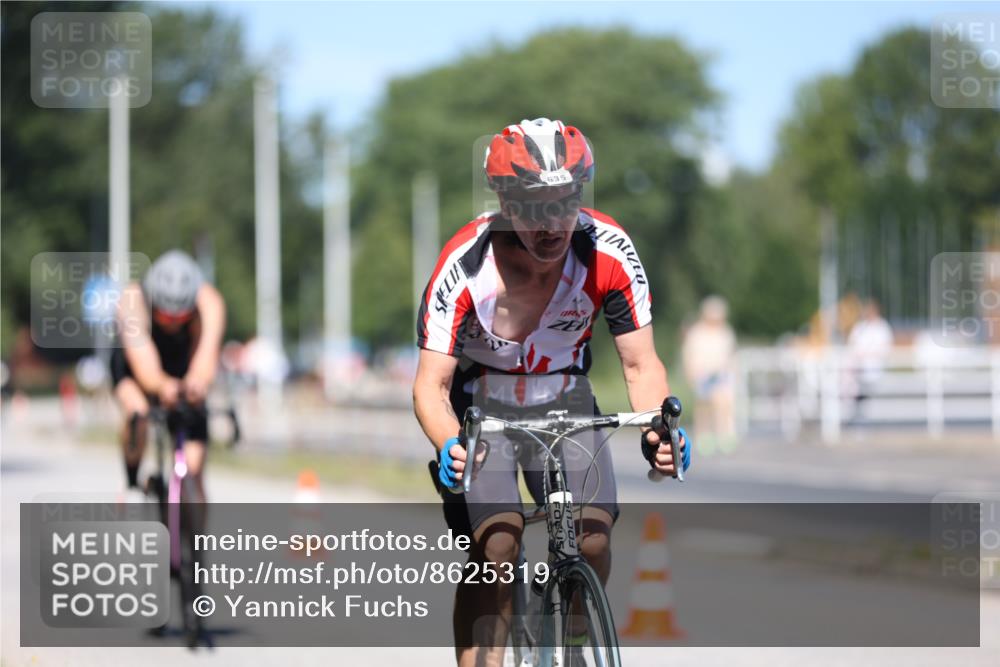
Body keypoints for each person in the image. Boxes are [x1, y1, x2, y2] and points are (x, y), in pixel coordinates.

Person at [412, 118, 690, 666]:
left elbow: (641, 366)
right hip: (482, 406)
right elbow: (430, 386)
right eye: (535, 205)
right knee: (496, 545)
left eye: (565, 202)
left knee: (592, 539)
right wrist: (449, 442)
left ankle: (578, 641)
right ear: (503, 200)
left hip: (565, 397)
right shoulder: (466, 265)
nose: (552, 223)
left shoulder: (608, 250)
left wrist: (662, 426)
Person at [110, 250, 226, 504]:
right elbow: (145, 368)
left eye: (181, 318)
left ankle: (196, 537)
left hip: (182, 362)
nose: (173, 324)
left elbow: (205, 358)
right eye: (165, 317)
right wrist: (162, 386)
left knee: (193, 469)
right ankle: (131, 480)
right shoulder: (132, 300)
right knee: (137, 410)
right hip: (135, 365)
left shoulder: (209, 301)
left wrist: (195, 383)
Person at [681, 295, 736, 452]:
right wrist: (690, 372)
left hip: (721, 374)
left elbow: (731, 354)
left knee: (724, 405)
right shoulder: (697, 333)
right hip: (703, 374)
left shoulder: (725, 332)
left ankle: (725, 435)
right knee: (704, 407)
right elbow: (689, 354)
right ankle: (704, 437)